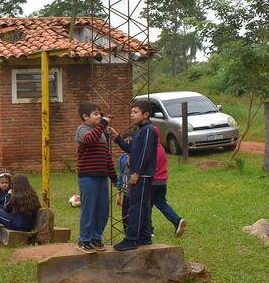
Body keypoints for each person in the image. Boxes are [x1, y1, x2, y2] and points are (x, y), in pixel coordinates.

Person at [109, 100, 157, 251]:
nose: (132, 115)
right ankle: (145, 237)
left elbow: (144, 154)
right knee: (140, 206)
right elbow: (131, 150)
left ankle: (131, 240)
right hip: (139, 175)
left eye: (135, 112)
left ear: (146, 114)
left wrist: (137, 172)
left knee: (135, 207)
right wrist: (117, 138)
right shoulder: (139, 131)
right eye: (132, 112)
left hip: (142, 176)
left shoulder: (148, 130)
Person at [75, 102, 118, 253]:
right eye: (95, 114)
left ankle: (95, 238)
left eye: (100, 114)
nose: (99, 116)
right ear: (85, 116)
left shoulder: (102, 134)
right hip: (88, 177)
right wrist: (104, 123)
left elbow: (107, 158)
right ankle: (84, 240)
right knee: (89, 209)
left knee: (102, 210)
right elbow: (90, 139)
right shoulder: (82, 130)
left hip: (102, 177)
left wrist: (114, 177)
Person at [0, 173, 41, 248]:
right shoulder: (32, 194)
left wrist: (9, 195)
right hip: (29, 226)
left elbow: (6, 208)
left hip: (17, 224)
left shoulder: (16, 195)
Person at [151, 126, 188, 237]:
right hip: (162, 181)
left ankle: (148, 230)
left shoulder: (150, 150)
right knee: (162, 203)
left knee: (146, 206)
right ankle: (177, 221)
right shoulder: (161, 148)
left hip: (153, 182)